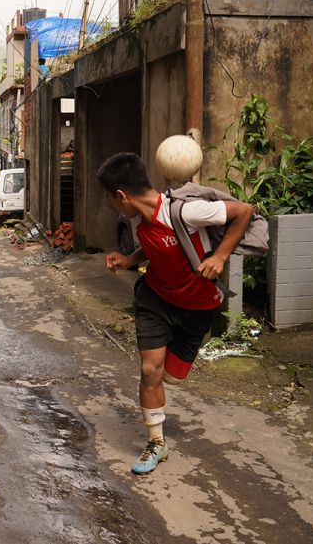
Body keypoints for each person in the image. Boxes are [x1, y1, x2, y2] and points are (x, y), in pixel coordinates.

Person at [96, 152, 251, 475]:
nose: (113, 206)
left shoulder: (186, 211)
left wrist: (220, 257)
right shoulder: (142, 221)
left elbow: (244, 212)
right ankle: (156, 442)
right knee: (150, 370)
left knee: (171, 376)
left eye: (111, 199)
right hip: (154, 299)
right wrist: (128, 260)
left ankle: (162, 394)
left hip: (197, 307)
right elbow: (157, 247)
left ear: (121, 196)